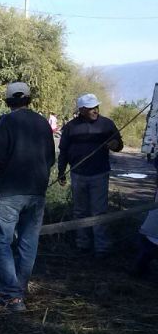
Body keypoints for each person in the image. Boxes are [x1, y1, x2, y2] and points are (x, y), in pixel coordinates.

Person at [0, 82, 55, 312]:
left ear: (8, 101)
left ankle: (12, 296)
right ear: (28, 99)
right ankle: (20, 288)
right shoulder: (43, 122)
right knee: (28, 241)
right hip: (37, 192)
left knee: (1, 242)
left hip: (9, 191)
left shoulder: (6, 121)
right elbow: (51, 158)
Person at [57, 93, 123, 257]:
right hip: (77, 174)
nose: (95, 110)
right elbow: (63, 151)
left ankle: (101, 247)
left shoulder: (107, 124)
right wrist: (61, 172)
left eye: (96, 107)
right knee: (80, 211)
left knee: (99, 211)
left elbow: (119, 144)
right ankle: (83, 244)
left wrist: (115, 144)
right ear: (81, 110)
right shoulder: (71, 127)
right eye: (90, 108)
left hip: (99, 173)